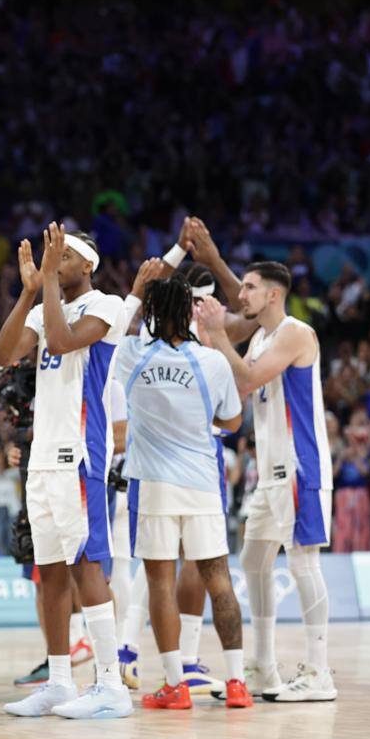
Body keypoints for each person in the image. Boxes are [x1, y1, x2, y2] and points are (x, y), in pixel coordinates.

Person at [0, 225, 153, 720]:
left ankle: (110, 685)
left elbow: (60, 344)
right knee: (52, 571)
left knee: (86, 565)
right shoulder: (44, 308)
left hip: (81, 455)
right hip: (42, 455)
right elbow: (3, 355)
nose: (54, 261)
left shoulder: (105, 305)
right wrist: (27, 293)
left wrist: (45, 284)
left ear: (87, 265)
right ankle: (60, 681)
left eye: (63, 256)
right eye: (51, 255)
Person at [199, 260, 339, 703]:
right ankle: (263, 667)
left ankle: (319, 672)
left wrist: (220, 334)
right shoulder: (259, 337)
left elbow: (249, 378)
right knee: (255, 562)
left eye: (250, 288)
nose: (241, 296)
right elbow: (239, 389)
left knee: (303, 564)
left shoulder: (295, 333)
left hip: (301, 468)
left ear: (273, 294)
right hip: (269, 473)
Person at [114, 278, 253, 710]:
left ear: (152, 312)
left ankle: (175, 684)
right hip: (202, 484)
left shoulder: (132, 354)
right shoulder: (212, 362)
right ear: (191, 312)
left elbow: (110, 336)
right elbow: (231, 423)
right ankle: (236, 682)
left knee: (159, 582)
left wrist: (136, 292)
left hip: (154, 487)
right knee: (219, 580)